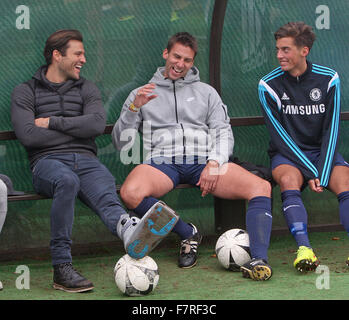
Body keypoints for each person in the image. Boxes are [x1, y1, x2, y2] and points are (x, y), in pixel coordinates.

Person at [11, 29, 178, 293]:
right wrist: (74, 130)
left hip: (86, 160)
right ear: (57, 55)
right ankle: (62, 268)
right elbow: (29, 136)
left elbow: (96, 125)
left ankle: (129, 229)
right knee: (66, 180)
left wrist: (51, 122)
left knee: (105, 192)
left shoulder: (87, 88)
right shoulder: (25, 91)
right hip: (46, 163)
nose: (84, 59)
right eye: (78, 53)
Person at [112, 32, 274, 281]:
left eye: (187, 60)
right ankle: (187, 233)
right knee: (130, 192)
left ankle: (259, 260)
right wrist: (134, 107)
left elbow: (223, 132)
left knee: (261, 186)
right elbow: (121, 142)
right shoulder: (141, 93)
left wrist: (214, 162)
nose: (180, 64)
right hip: (164, 161)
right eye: (176, 56)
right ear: (166, 54)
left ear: (192, 62)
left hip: (205, 161)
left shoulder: (206, 92)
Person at [258, 21, 349, 272]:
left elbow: (332, 130)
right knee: (288, 180)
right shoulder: (267, 85)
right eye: (278, 49)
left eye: (285, 50)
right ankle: (304, 249)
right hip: (287, 154)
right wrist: (311, 172)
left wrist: (322, 168)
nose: (279, 55)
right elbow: (280, 138)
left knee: (346, 182)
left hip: (322, 152)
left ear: (304, 51)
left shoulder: (329, 78)